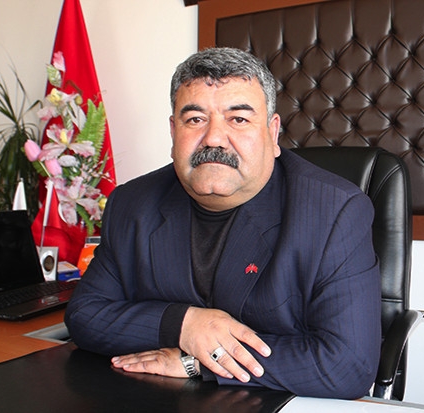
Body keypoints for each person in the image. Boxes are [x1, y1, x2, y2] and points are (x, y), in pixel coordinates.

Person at [64, 47, 381, 400]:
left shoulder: (333, 211)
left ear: (273, 133)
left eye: (238, 119)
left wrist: (198, 361)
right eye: (195, 119)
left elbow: (347, 365)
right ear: (173, 131)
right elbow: (85, 316)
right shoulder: (132, 204)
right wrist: (184, 324)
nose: (214, 138)